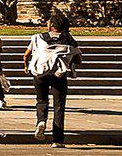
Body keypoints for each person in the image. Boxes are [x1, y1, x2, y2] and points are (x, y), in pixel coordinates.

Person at [24, 9, 81, 148]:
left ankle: (41, 121)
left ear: (52, 25)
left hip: (40, 74)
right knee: (59, 106)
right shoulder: (69, 39)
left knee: (41, 100)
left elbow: (26, 55)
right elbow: (78, 59)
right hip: (59, 75)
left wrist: (26, 66)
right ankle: (57, 140)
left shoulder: (38, 37)